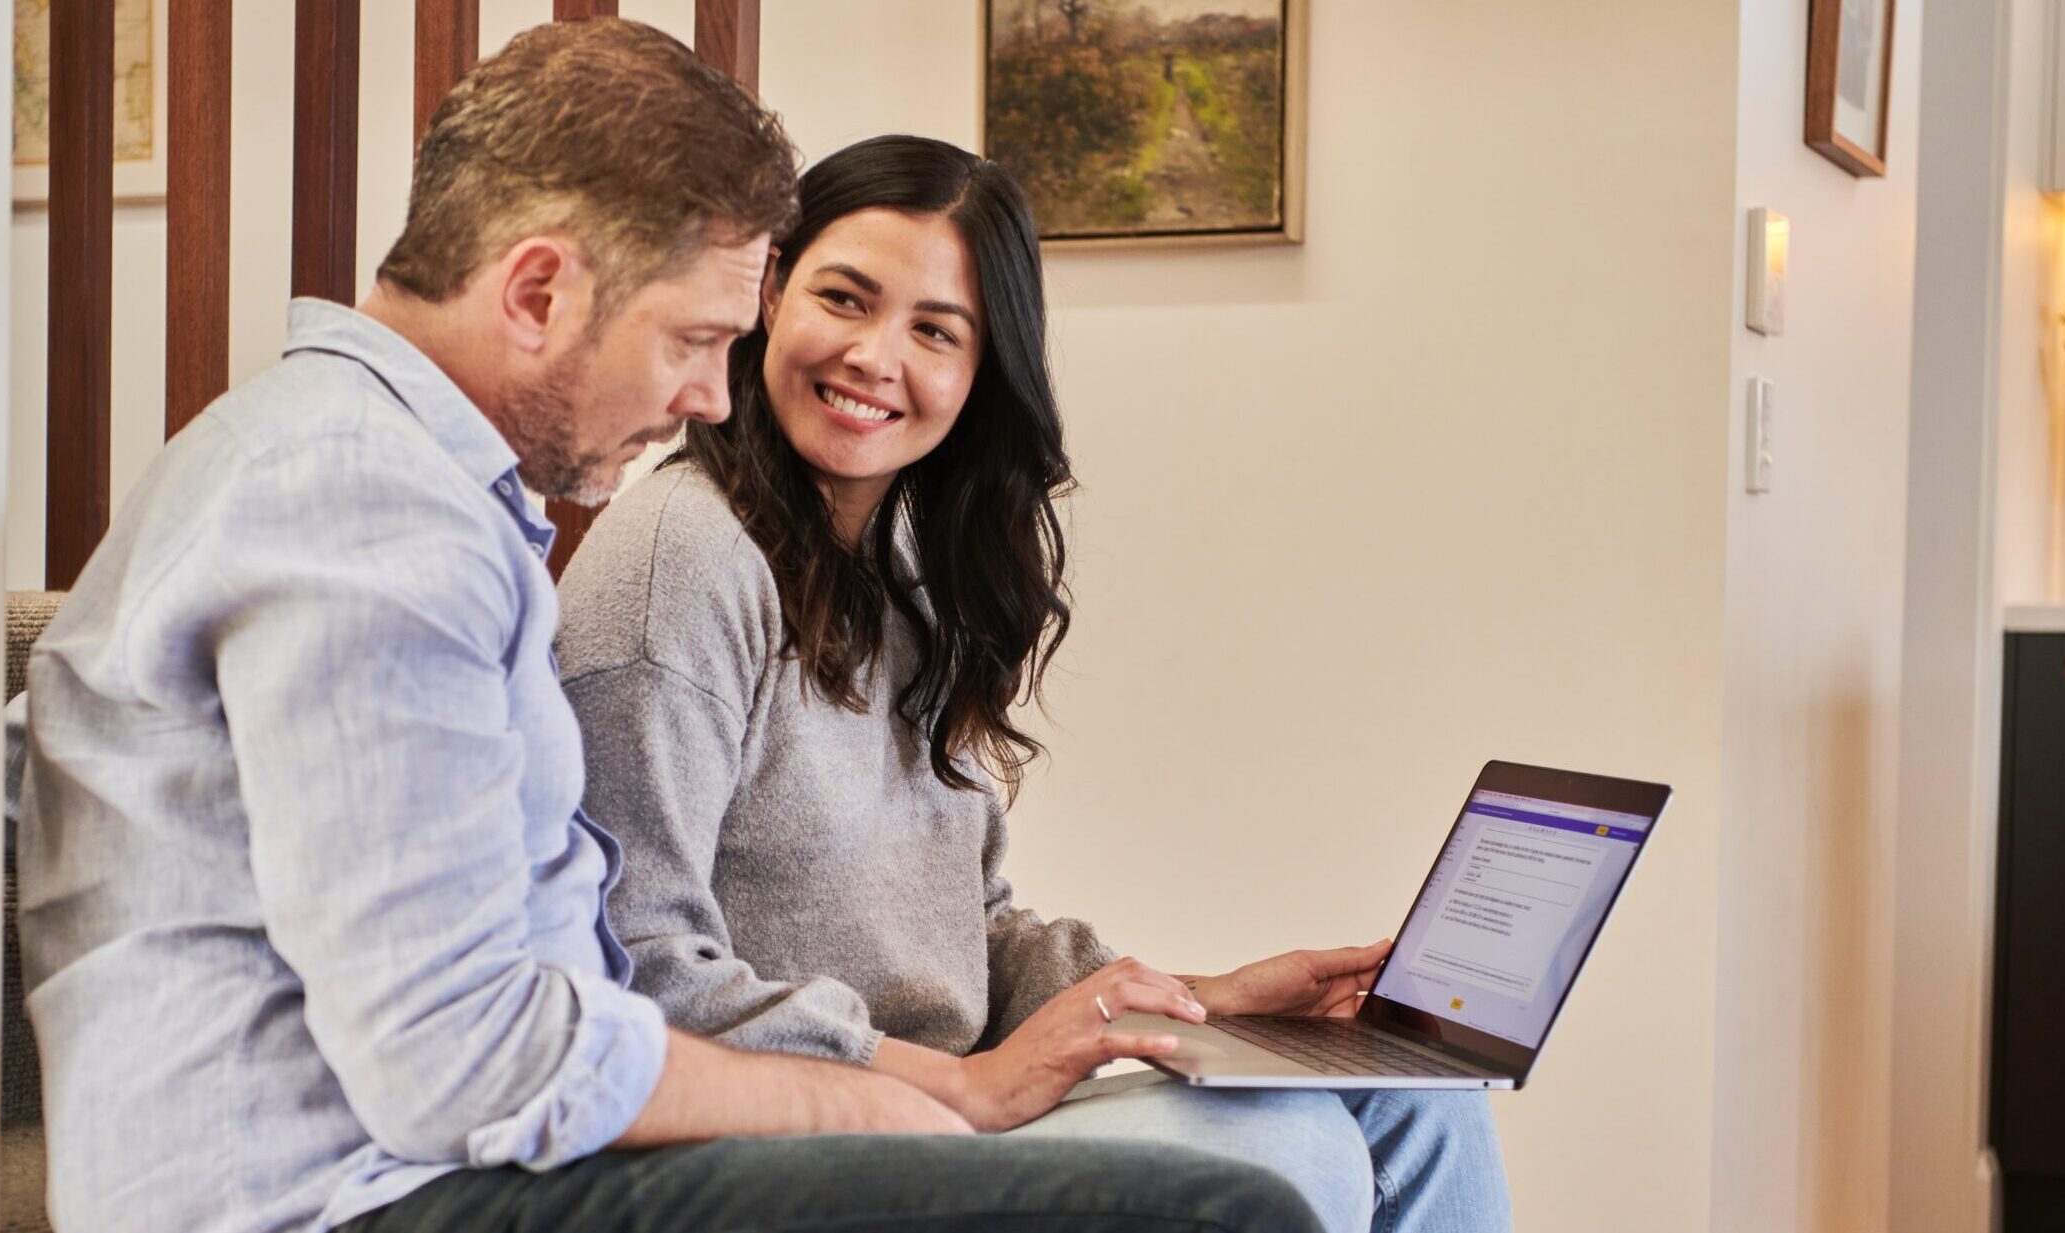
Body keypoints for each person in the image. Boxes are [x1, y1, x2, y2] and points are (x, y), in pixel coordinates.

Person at [17, 22, 1314, 1233]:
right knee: (1226, 1212)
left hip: (456, 1162)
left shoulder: (404, 494)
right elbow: (461, 1053)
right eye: (696, 339)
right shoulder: (365, 512)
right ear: (538, 291)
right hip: (359, 1198)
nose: (711, 393)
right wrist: (885, 1101)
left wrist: (1156, 1009)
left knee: (1307, 1135)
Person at [554, 134, 1513, 1233]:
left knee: (1420, 1099)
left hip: (944, 1099)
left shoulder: (902, 567)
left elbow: (962, 931)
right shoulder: (680, 560)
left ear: (981, 372)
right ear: (771, 295)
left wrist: (1195, 1000)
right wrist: (959, 1083)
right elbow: (634, 966)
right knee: (1291, 1151)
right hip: (798, 1135)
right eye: (844, 298)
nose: (874, 357)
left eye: (934, 331)